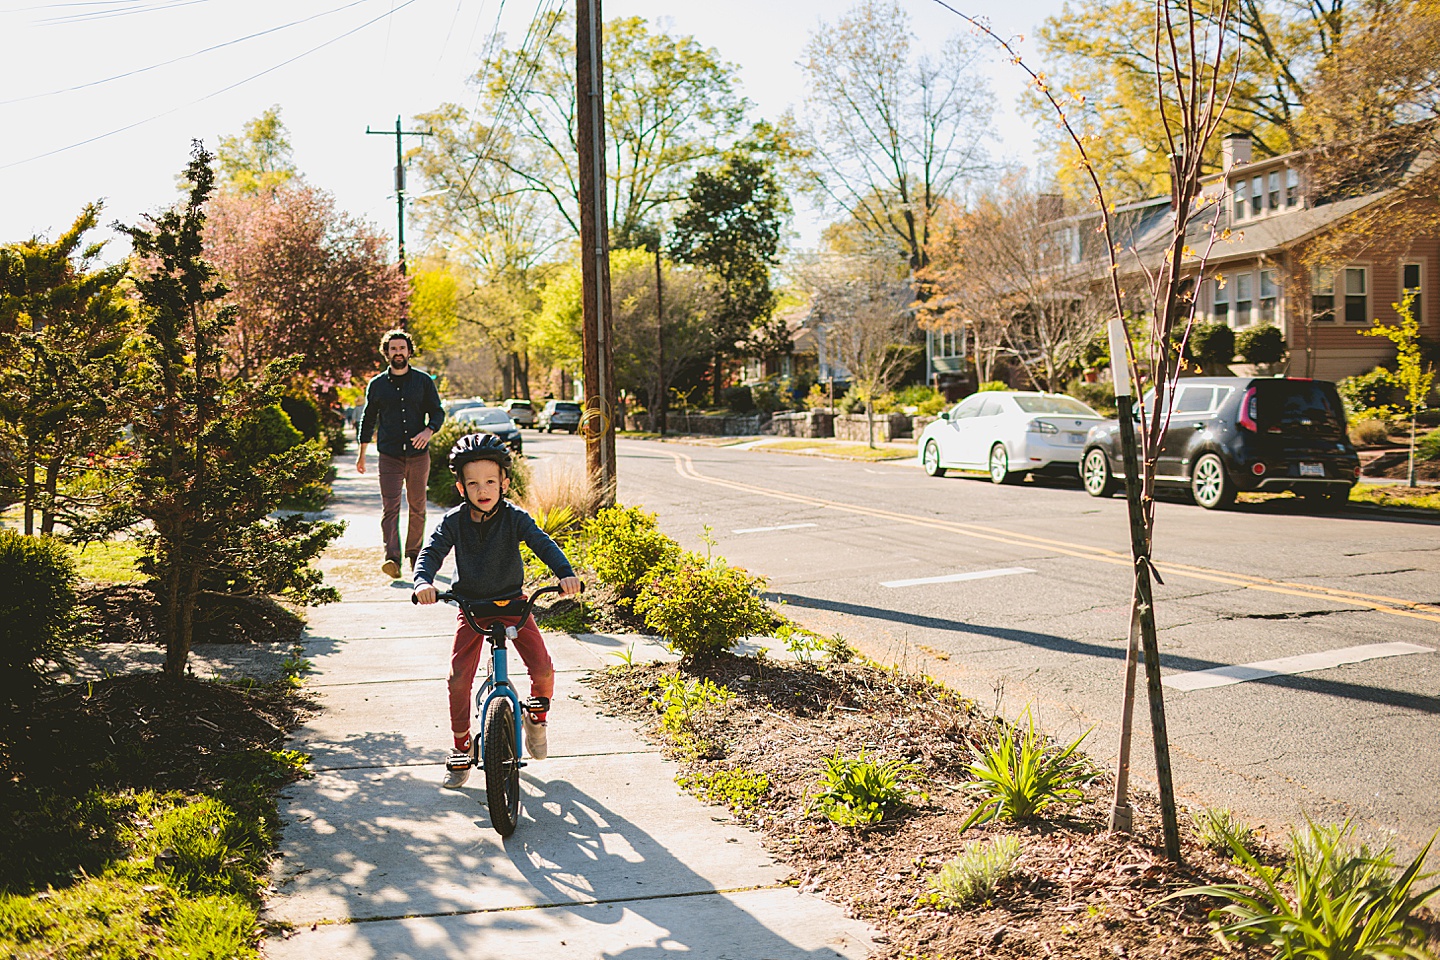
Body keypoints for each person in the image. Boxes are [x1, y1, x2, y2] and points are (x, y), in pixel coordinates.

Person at [412, 433, 582, 788]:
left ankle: (536, 715)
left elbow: (543, 543)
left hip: (514, 606)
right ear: (461, 488)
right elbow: (431, 550)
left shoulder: (515, 518)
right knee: (458, 678)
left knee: (543, 669)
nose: (482, 489)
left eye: (491, 481)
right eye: (472, 483)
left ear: (504, 483)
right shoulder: (453, 522)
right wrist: (422, 581)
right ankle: (461, 747)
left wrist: (565, 573)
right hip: (471, 607)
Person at [356, 329, 445, 580]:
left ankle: (415, 555)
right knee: (390, 507)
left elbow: (437, 412)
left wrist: (429, 431)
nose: (398, 353)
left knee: (417, 507)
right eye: (393, 349)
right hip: (390, 455)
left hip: (418, 455)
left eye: (402, 348)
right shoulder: (377, 385)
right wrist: (362, 454)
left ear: (409, 351)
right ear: (387, 353)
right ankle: (392, 559)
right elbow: (368, 418)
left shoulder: (423, 381)